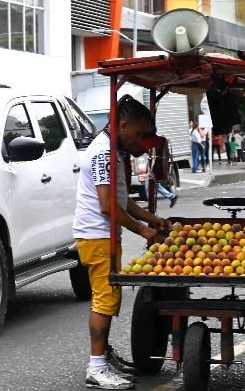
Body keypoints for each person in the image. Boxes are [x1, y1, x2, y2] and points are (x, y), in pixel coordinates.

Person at [73, 94, 172, 389]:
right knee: (104, 299)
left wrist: (151, 220)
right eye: (138, 133)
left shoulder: (113, 151)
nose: (140, 141)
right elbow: (107, 206)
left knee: (108, 297)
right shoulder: (104, 152)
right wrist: (143, 232)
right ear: (124, 124)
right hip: (97, 234)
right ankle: (96, 367)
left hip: (103, 234)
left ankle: (103, 356)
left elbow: (122, 200)